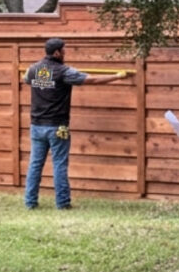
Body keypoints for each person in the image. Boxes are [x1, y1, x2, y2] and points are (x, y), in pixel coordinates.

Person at [23, 38, 126, 210]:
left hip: (36, 126)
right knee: (59, 164)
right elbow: (91, 80)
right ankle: (62, 203)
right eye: (64, 50)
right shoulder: (64, 71)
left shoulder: (33, 69)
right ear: (56, 52)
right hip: (58, 127)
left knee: (35, 164)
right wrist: (116, 77)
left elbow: (26, 79)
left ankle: (30, 202)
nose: (65, 53)